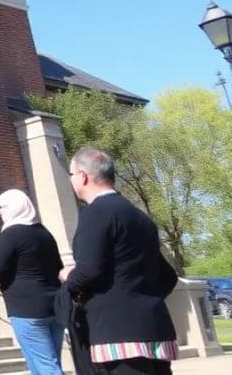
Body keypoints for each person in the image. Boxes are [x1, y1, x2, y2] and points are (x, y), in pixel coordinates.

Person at [60, 149, 178, 375]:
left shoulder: (95, 213)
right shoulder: (139, 216)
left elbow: (89, 270)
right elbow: (168, 277)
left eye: (71, 174)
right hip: (154, 328)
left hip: (117, 334)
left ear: (83, 176)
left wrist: (68, 278)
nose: (71, 180)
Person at [0, 189, 65, 375]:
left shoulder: (11, 233)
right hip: (54, 305)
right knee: (43, 364)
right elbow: (58, 266)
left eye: (2, 207)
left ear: (15, 208)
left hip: (26, 310)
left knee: (47, 367)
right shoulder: (44, 232)